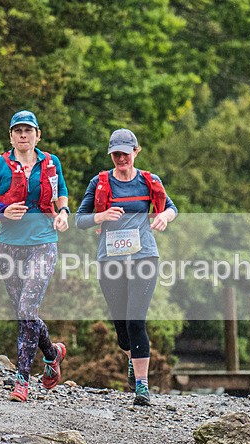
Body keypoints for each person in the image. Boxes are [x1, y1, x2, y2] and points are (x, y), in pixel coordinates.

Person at [0, 110, 70, 402]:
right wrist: (1, 210)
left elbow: (61, 191)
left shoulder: (51, 162)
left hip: (43, 242)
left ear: (37, 135)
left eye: (28, 130)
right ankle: (53, 354)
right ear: (11, 136)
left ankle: (22, 382)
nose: (23, 135)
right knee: (23, 314)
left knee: (27, 308)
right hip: (9, 245)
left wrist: (64, 211)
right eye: (18, 131)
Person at [75, 128, 177, 405]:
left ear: (136, 151)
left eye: (125, 153)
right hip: (110, 260)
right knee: (122, 326)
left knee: (136, 320)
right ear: (111, 155)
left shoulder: (149, 181)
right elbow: (79, 219)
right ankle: (131, 359)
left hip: (144, 256)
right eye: (116, 154)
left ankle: (142, 386)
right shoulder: (99, 182)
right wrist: (102, 216)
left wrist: (165, 218)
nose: (121, 158)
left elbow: (171, 207)